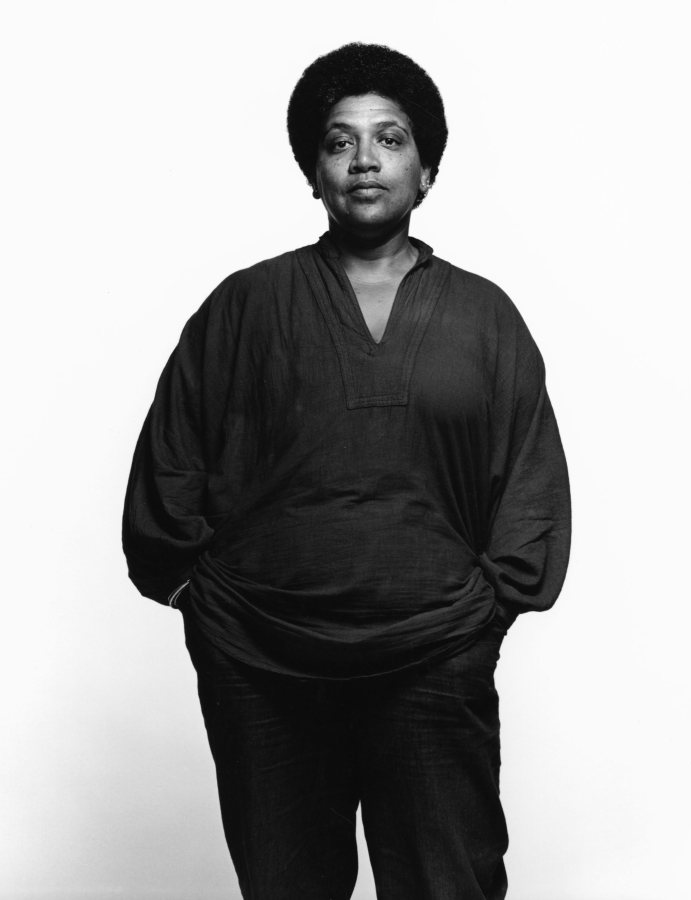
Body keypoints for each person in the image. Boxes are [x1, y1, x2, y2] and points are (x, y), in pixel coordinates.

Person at [123, 42, 570, 900]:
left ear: (427, 168)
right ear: (312, 170)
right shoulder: (246, 306)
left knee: (450, 884)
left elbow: (529, 481)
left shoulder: (483, 317)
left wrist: (484, 611)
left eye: (390, 138)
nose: (365, 160)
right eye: (339, 141)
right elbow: (169, 463)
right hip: (261, 663)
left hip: (434, 656)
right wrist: (197, 597)